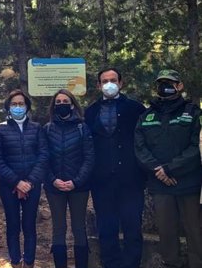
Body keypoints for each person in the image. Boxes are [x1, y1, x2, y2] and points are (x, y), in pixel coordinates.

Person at [134, 69, 202, 268]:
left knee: (194, 231)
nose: (166, 86)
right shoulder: (146, 116)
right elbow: (140, 148)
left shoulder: (194, 112)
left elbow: (197, 147)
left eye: (170, 82)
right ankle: (171, 264)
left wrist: (171, 169)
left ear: (179, 85)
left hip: (188, 183)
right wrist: (159, 170)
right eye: (161, 83)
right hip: (160, 184)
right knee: (166, 232)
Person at [84, 68, 146, 268]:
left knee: (132, 228)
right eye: (104, 81)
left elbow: (145, 141)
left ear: (120, 83)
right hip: (102, 181)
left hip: (131, 180)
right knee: (106, 229)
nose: (108, 84)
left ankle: (131, 264)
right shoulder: (90, 111)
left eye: (112, 80)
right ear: (98, 85)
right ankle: (110, 264)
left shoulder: (136, 109)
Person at [0, 89, 48, 268]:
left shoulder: (37, 128)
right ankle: (15, 262)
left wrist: (29, 182)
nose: (17, 107)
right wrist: (16, 182)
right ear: (8, 107)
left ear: (27, 107)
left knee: (29, 225)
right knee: (13, 225)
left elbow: (44, 155)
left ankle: (29, 262)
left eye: (21, 104)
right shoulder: (0, 130)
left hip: (33, 184)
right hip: (9, 186)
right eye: (14, 104)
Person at [43, 89, 94, 268]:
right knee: (58, 228)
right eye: (58, 102)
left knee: (79, 228)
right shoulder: (47, 129)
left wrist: (76, 181)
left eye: (65, 101)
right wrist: (52, 180)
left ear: (72, 104)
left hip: (79, 187)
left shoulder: (83, 127)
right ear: (54, 106)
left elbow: (89, 158)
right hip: (54, 187)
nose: (62, 104)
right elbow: (43, 158)